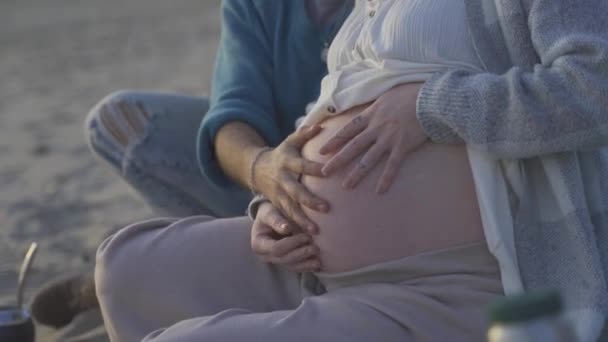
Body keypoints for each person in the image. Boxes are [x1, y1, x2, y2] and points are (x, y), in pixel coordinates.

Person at [95, 0, 608, 341]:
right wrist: (274, 204)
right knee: (125, 268)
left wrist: (432, 109)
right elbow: (327, 111)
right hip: (313, 263)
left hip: (456, 282)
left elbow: (595, 86)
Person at [30, 0, 354, 328]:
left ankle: (165, 279)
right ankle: (189, 269)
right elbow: (234, 109)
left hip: (356, 191)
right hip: (270, 185)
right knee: (116, 122)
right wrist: (261, 167)